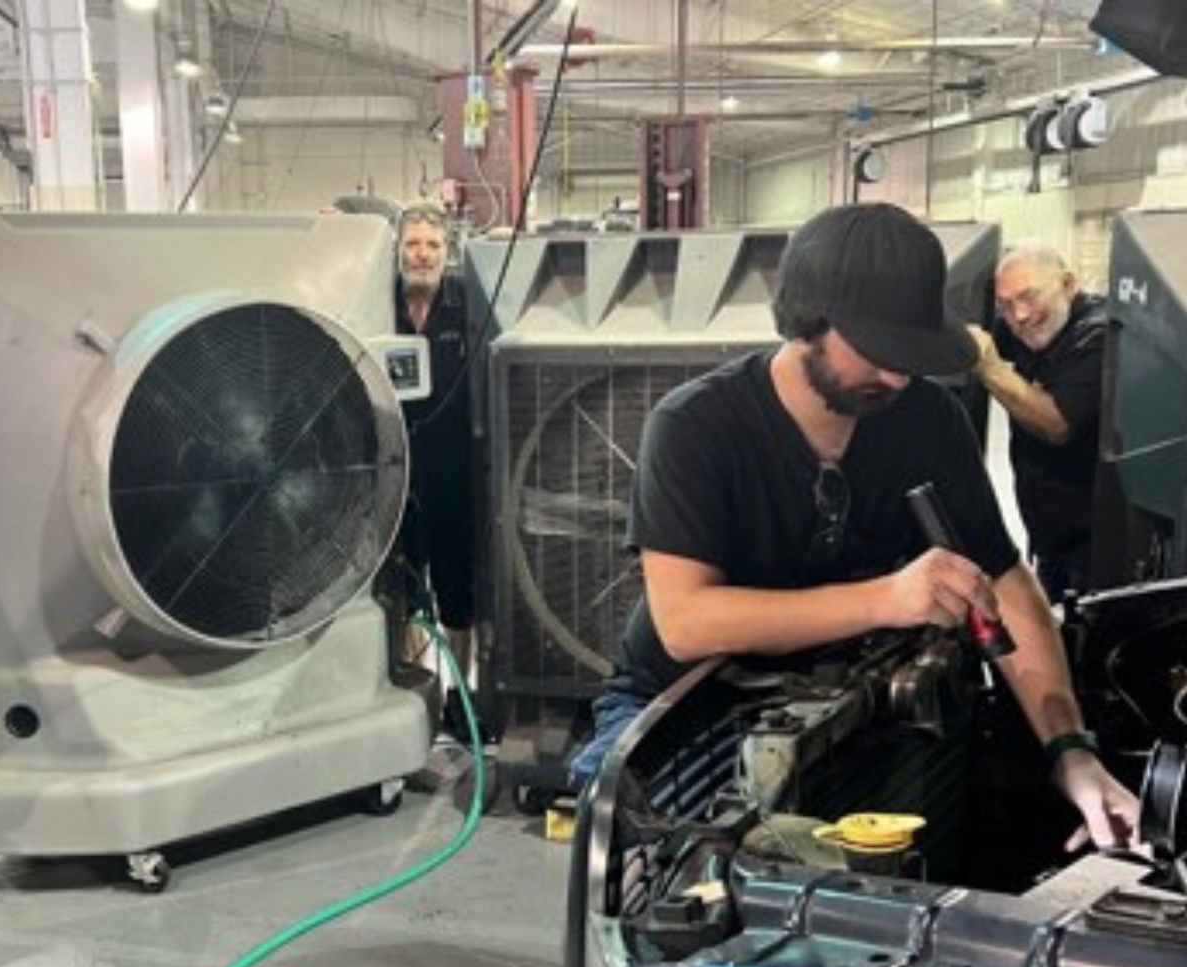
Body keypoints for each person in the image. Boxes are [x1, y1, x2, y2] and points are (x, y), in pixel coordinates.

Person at [572, 202, 1138, 852]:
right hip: (683, 709)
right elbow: (687, 621)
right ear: (806, 321)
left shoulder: (927, 420)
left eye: (910, 353)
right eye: (877, 351)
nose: (897, 374)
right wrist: (889, 599)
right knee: (653, 874)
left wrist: (1071, 751)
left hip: (846, 709)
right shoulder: (695, 427)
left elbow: (1005, 582)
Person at [971, 241, 1106, 603]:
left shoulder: (1098, 336)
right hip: (1051, 537)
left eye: (1029, 297)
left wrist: (991, 370)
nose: (1019, 316)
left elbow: (1056, 424)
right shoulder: (1032, 327)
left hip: (1097, 542)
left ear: (1068, 284)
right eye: (1006, 304)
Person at [392, 202, 477, 716]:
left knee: (457, 590)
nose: (421, 255)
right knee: (402, 590)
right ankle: (414, 697)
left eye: (431, 246)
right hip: (395, 472)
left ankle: (460, 697)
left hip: (455, 471)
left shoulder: (467, 303)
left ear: (448, 253)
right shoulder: (379, 304)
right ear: (398, 251)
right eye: (412, 245)